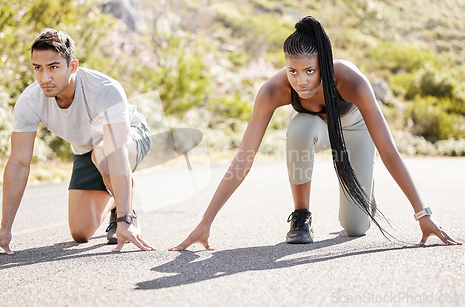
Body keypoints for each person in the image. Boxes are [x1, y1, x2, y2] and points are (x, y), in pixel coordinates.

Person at [170, 16, 461, 250]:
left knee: (355, 228)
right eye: (292, 71)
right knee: (300, 125)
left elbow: (388, 150)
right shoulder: (273, 91)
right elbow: (244, 158)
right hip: (318, 130)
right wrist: (206, 221)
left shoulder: (350, 80)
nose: (301, 80)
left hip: (355, 131)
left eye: (309, 70)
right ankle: (301, 217)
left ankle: (364, 186)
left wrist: (422, 213)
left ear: (322, 63)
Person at [0, 29, 155, 254]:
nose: (45, 78)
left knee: (104, 154)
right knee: (81, 232)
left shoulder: (105, 90)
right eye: (37, 68)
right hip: (86, 149)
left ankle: (124, 209)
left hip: (128, 138)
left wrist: (125, 219)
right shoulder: (29, 101)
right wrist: (5, 228)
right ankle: (116, 198)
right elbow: (19, 162)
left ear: (73, 66)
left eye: (53, 67)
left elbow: (117, 150)